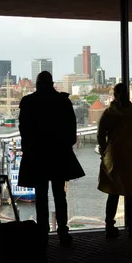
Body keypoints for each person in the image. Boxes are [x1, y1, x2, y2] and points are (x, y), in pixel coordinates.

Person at [17, 71, 85, 248]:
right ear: (52, 84)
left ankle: (42, 233)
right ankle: (63, 231)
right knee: (59, 194)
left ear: (38, 85)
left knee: (41, 195)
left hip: (37, 155)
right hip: (58, 154)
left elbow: (24, 130)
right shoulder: (63, 101)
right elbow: (71, 130)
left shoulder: (28, 102)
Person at [97, 83, 132, 239]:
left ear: (114, 96)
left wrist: (104, 151)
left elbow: (100, 135)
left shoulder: (109, 114)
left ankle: (109, 226)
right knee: (131, 193)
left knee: (113, 193)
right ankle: (131, 226)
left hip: (113, 158)